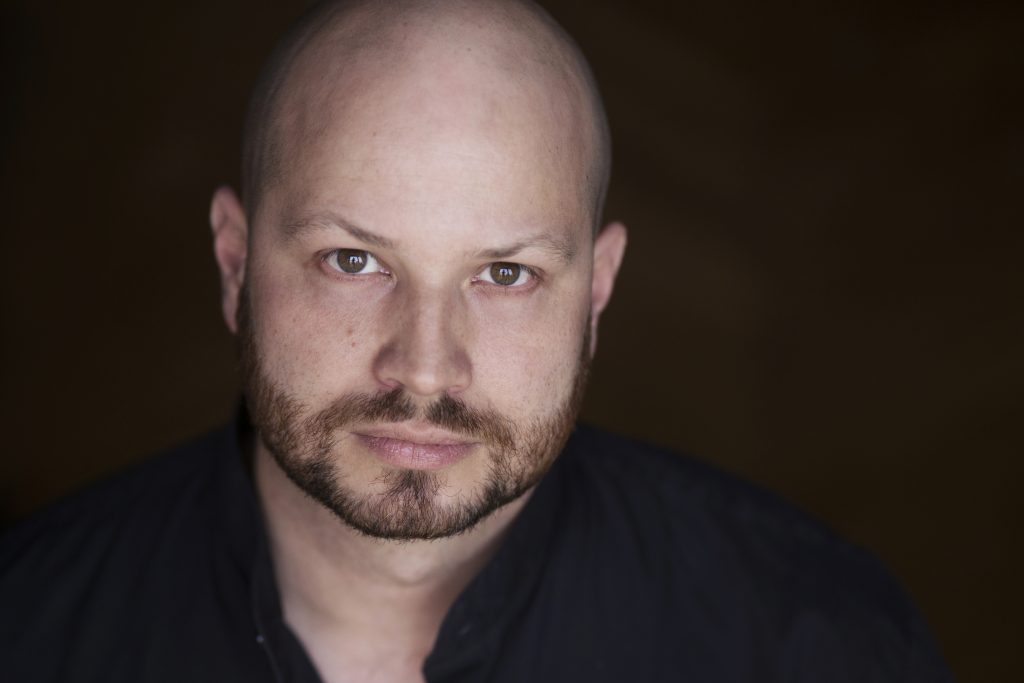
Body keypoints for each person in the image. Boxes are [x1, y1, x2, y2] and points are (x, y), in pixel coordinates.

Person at [0, 1, 953, 681]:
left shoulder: (819, 643)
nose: (423, 367)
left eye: (505, 274)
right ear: (235, 263)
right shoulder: (27, 628)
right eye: (353, 260)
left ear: (598, 291)